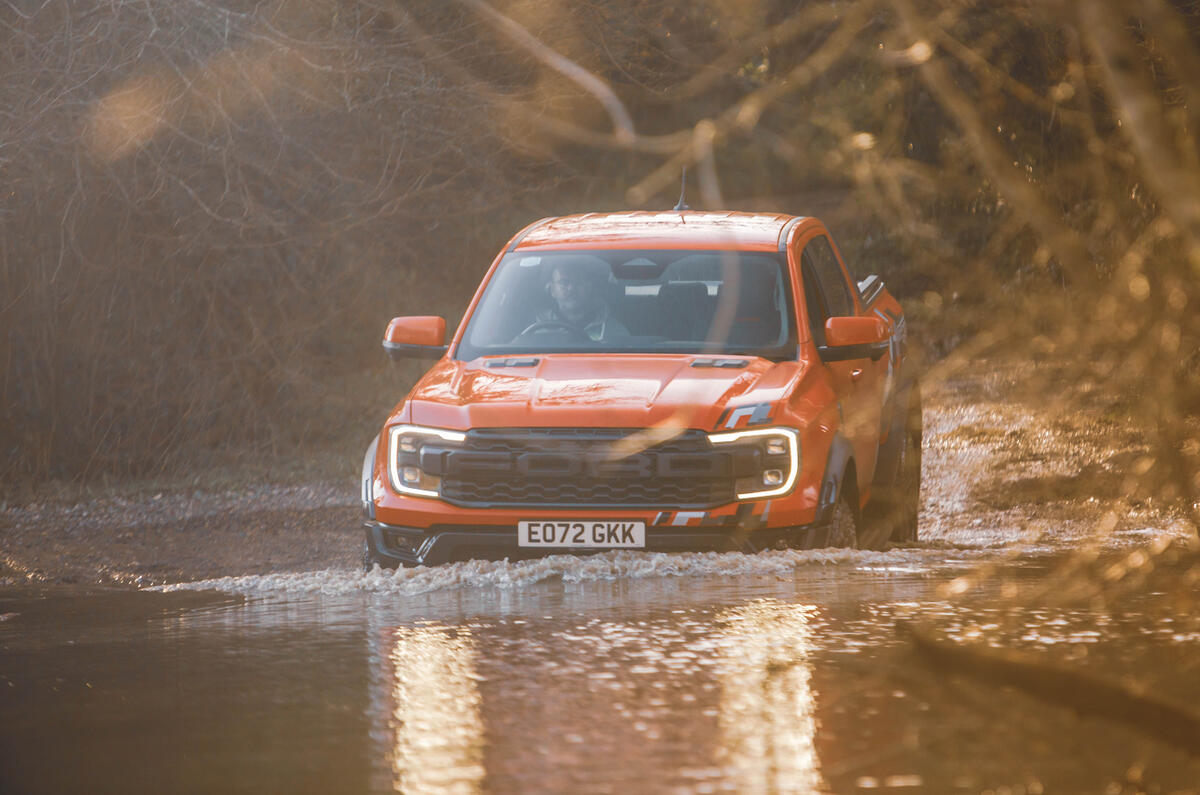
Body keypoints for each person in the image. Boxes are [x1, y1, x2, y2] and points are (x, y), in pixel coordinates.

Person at [519, 263, 629, 342]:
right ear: (552, 290)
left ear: (589, 287)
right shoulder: (534, 332)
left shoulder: (614, 331)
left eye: (578, 282)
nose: (571, 288)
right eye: (564, 282)